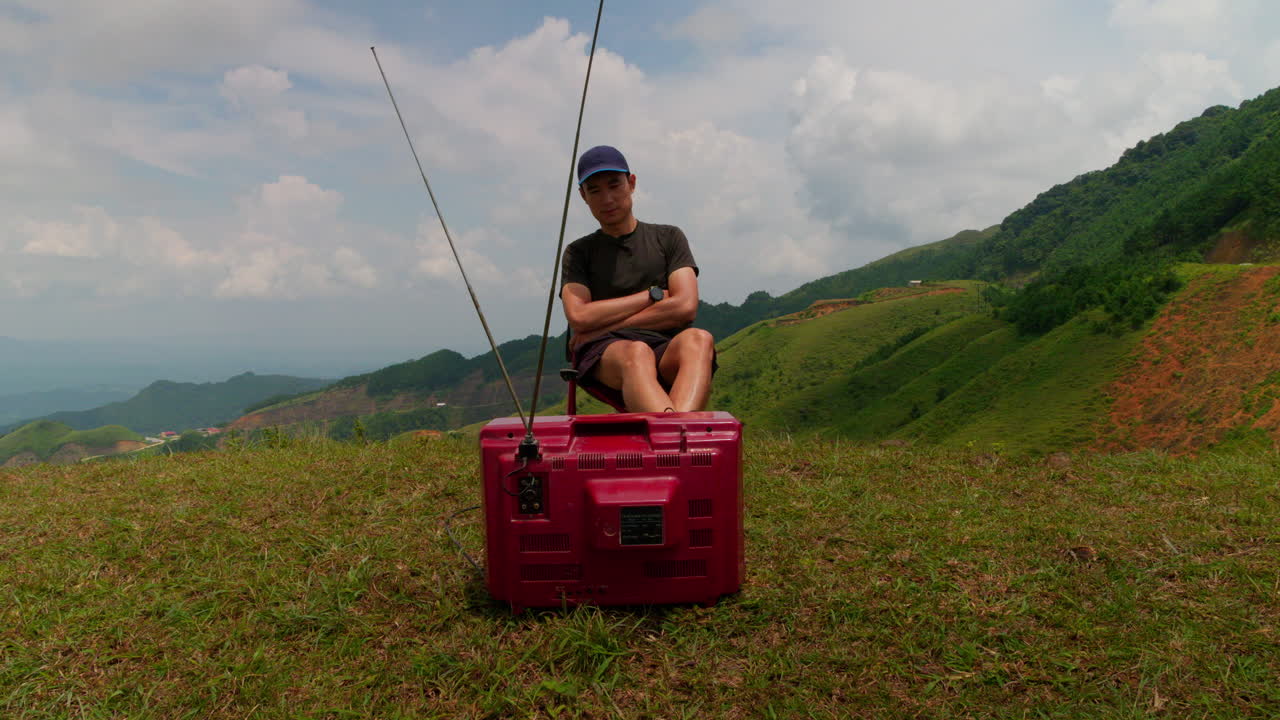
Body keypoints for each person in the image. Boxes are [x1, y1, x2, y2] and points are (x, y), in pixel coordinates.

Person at [560, 145, 716, 413]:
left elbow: (685, 307)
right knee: (636, 352)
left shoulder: (668, 238)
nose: (607, 198)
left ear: (631, 184)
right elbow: (579, 317)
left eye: (614, 185)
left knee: (699, 340)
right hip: (603, 353)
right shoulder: (578, 252)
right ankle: (678, 442)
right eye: (594, 190)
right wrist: (651, 296)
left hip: (662, 346)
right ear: (583, 196)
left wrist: (601, 326)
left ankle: (672, 437)